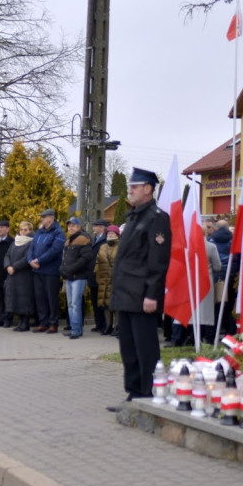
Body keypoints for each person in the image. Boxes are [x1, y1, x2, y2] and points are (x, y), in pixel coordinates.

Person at [107, 167, 171, 411]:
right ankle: (134, 393)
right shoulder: (133, 217)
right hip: (125, 293)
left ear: (148, 189)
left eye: (135, 186)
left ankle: (149, 392)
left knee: (145, 348)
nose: (130, 191)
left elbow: (158, 261)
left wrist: (152, 295)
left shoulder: (157, 217)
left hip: (142, 296)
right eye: (130, 186)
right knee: (129, 348)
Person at [27, 208, 66, 333]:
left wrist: (38, 261)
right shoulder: (39, 232)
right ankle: (43, 322)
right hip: (37, 271)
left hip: (51, 271)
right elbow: (31, 248)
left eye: (43, 217)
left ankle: (53, 323)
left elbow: (54, 251)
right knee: (40, 297)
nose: (41, 219)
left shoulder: (58, 233)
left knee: (51, 298)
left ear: (51, 218)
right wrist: (30, 260)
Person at [59, 217, 93, 339]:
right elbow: (64, 259)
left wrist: (71, 268)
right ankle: (74, 328)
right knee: (70, 304)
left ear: (79, 227)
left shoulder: (84, 239)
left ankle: (77, 330)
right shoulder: (68, 241)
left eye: (73, 225)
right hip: (69, 277)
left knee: (75, 304)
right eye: (69, 226)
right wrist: (62, 269)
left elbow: (86, 259)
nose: (71, 228)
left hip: (79, 277)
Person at [4, 221, 35, 332]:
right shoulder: (15, 242)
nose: (23, 232)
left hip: (24, 276)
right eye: (21, 229)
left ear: (30, 231)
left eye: (25, 230)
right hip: (12, 276)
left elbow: (27, 258)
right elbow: (7, 255)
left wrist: (14, 267)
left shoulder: (31, 243)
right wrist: (8, 266)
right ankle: (20, 323)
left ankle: (25, 323)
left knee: (24, 300)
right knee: (15, 299)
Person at [95, 224, 119, 336]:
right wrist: (97, 275)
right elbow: (97, 261)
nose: (110, 234)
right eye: (108, 233)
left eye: (112, 233)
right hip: (103, 279)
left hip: (115, 279)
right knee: (105, 304)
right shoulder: (102, 247)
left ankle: (117, 326)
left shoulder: (120, 246)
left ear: (117, 235)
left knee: (115, 305)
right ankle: (108, 326)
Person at [88, 219, 109, 332]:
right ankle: (98, 323)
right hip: (92, 274)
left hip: (102, 274)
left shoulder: (105, 240)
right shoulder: (94, 239)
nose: (93, 228)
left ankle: (105, 324)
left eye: (95, 226)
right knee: (95, 299)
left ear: (102, 228)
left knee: (102, 301)